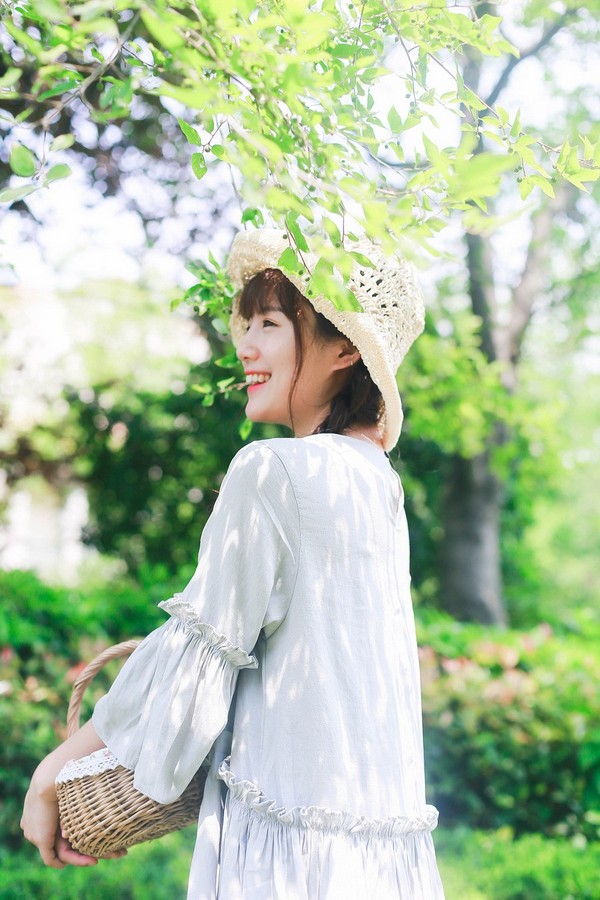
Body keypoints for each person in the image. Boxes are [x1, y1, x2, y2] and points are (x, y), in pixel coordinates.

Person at [21, 228, 445, 899]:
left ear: (344, 348)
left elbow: (195, 663)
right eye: (246, 324)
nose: (245, 345)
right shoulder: (375, 482)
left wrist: (54, 771)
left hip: (287, 862)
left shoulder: (273, 470)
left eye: (270, 323)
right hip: (378, 862)